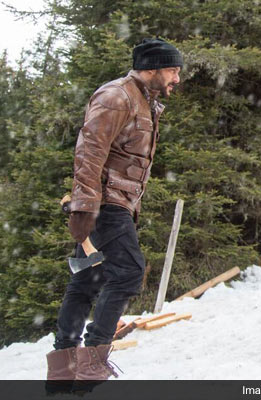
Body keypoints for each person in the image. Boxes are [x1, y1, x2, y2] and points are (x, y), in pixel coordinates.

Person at [45, 38, 182, 385]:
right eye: (172, 70)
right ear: (151, 68)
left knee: (87, 278)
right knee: (128, 272)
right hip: (106, 202)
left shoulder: (143, 99)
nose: (176, 79)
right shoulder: (117, 96)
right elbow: (89, 152)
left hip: (116, 201)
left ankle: (63, 366)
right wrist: (85, 207)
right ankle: (92, 361)